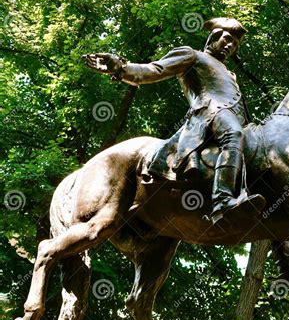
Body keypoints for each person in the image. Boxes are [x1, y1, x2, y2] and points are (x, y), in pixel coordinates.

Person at [83, 17, 265, 225]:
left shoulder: (231, 74)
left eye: (234, 44)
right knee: (234, 135)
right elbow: (155, 70)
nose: (230, 46)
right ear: (213, 37)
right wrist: (121, 68)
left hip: (236, 118)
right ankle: (222, 201)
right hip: (211, 113)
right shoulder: (192, 55)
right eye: (227, 39)